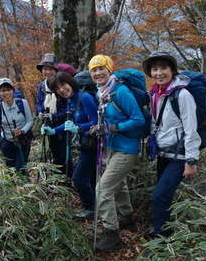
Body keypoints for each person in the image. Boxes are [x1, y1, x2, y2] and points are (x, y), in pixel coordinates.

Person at [88, 54, 145, 251]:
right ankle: (127, 216)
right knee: (119, 185)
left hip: (127, 149)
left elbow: (139, 120)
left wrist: (114, 127)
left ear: (109, 69)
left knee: (102, 190)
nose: (97, 73)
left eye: (101, 68)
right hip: (112, 146)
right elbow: (107, 118)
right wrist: (99, 127)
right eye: (93, 70)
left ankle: (112, 234)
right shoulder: (102, 93)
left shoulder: (121, 91)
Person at [142, 51, 201, 238]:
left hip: (180, 155)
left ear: (172, 70)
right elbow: (156, 122)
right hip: (163, 153)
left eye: (163, 68)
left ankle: (160, 238)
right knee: (163, 197)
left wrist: (191, 160)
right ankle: (163, 231)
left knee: (159, 195)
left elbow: (191, 128)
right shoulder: (154, 94)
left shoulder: (182, 95)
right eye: (155, 69)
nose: (159, 73)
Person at [42, 72, 98, 218]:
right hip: (85, 144)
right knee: (89, 178)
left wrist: (78, 128)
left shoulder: (84, 97)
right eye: (58, 88)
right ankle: (95, 207)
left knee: (78, 178)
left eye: (63, 85)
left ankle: (90, 208)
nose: (62, 89)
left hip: (94, 144)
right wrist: (53, 131)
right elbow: (69, 124)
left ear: (70, 82)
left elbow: (96, 122)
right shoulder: (71, 101)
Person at [0, 78, 33, 172]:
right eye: (3, 90)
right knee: (11, 169)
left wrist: (22, 131)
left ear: (13, 91)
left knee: (21, 167)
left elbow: (30, 121)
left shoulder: (23, 103)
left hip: (23, 140)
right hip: (6, 142)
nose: (6, 93)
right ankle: (15, 186)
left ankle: (24, 184)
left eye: (8, 89)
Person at [36, 53, 72, 176]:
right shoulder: (41, 87)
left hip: (64, 125)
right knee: (53, 151)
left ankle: (67, 178)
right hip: (48, 124)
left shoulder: (61, 85)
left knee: (65, 153)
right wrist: (41, 113)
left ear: (55, 70)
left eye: (50, 69)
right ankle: (57, 179)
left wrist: (54, 116)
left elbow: (67, 108)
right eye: (45, 69)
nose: (47, 72)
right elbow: (39, 104)